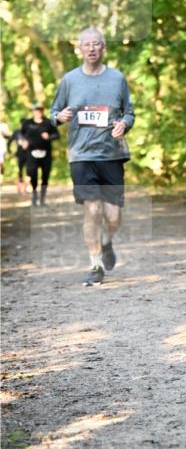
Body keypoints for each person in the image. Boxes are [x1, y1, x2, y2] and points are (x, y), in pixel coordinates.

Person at [50, 28, 135, 286]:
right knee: (93, 209)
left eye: (96, 44)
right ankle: (95, 264)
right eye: (86, 44)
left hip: (112, 154)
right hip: (81, 155)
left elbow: (129, 112)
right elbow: (55, 112)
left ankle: (107, 242)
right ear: (79, 48)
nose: (91, 48)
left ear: (103, 48)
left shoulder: (117, 78)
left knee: (112, 215)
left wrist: (124, 124)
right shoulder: (69, 80)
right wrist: (58, 117)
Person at [17, 104, 59, 205]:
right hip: (31, 153)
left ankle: (42, 198)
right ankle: (34, 193)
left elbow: (56, 135)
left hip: (46, 153)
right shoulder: (27, 123)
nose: (38, 112)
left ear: (43, 111)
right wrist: (23, 142)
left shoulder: (48, 123)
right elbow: (20, 134)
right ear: (33, 111)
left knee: (45, 176)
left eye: (40, 110)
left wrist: (49, 136)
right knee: (32, 175)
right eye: (36, 110)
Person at [7, 125, 29, 194]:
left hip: (28, 154)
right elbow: (9, 141)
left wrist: (10, 151)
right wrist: (10, 152)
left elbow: (9, 141)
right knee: (21, 171)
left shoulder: (29, 131)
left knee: (26, 171)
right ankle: (20, 188)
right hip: (21, 154)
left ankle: (24, 188)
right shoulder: (17, 132)